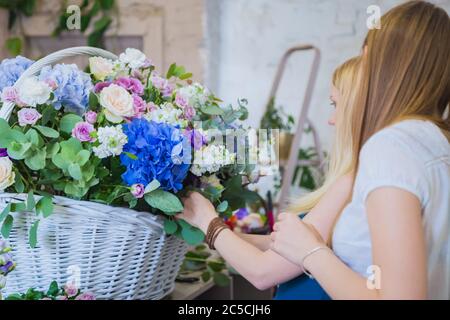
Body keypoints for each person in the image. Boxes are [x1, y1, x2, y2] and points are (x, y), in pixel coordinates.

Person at [179, 1, 450, 299]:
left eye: (368, 61)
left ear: (388, 67)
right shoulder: (434, 140)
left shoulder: (391, 145)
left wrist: (309, 250)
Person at [177, 56, 361, 299]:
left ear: (358, 108)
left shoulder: (351, 182)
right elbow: (283, 252)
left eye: (335, 104)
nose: (331, 119)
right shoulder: (350, 180)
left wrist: (208, 221)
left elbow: (263, 272)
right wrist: (213, 237)